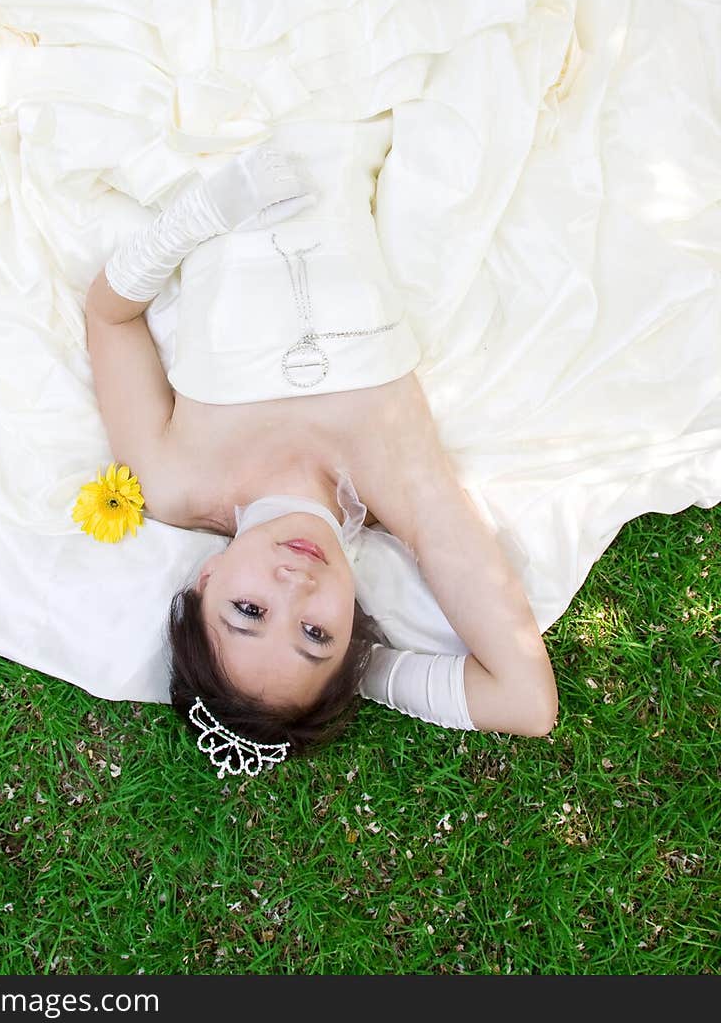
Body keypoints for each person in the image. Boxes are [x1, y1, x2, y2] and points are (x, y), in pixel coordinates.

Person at [84, 140, 557, 775]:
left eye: (248, 612)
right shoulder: (407, 490)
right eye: (315, 635)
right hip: (345, 113)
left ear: (205, 582)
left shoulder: (175, 481)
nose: (297, 589)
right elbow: (526, 703)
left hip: (206, 144)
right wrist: (362, 666)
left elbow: (109, 317)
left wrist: (205, 213)